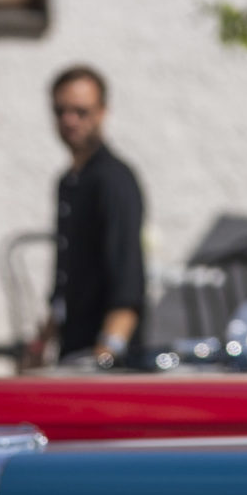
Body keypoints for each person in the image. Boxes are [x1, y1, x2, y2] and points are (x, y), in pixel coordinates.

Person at [48, 65, 147, 365]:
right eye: (61, 111)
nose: (69, 120)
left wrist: (106, 354)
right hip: (72, 351)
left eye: (81, 111)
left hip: (105, 360)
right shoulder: (69, 182)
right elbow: (66, 279)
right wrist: (42, 340)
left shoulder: (114, 180)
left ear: (102, 112)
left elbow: (127, 282)